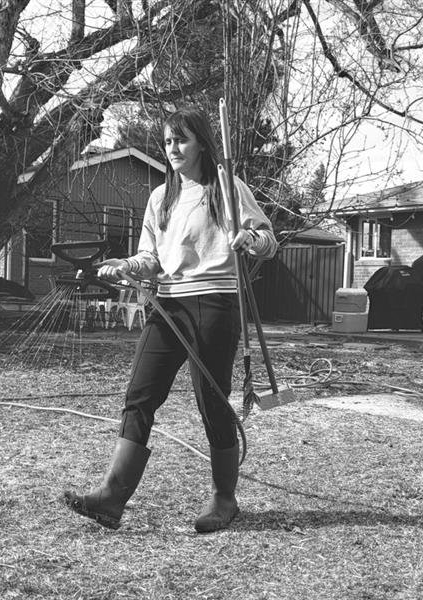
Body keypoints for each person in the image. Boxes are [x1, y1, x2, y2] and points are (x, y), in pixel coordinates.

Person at [61, 106, 277, 532]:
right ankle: (111, 496)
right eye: (166, 142)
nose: (173, 148)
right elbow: (151, 258)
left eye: (181, 139)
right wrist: (125, 264)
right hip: (169, 305)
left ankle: (224, 499)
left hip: (215, 304)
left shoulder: (226, 188)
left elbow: (268, 240)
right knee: (140, 394)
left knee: (211, 402)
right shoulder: (161, 197)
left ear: (200, 142)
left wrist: (249, 239)